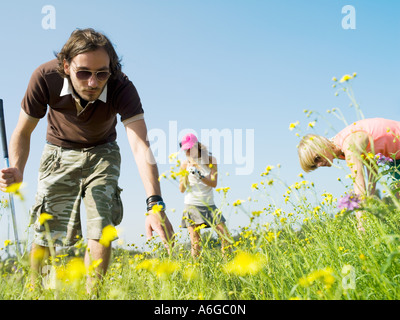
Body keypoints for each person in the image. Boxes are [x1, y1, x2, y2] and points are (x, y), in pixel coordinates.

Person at [0, 28, 174, 291]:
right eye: (83, 73)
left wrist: (155, 203)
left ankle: (94, 296)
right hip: (58, 150)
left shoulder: (121, 86)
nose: (93, 82)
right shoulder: (45, 77)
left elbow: (140, 145)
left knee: (101, 226)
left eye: (101, 74)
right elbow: (22, 132)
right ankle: (39, 294)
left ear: (111, 70)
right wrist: (17, 168)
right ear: (66, 66)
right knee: (47, 229)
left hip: (102, 151)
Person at [298, 118, 400, 229]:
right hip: (395, 157)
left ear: (321, 144)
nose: (319, 165)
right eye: (314, 165)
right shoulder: (339, 150)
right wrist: (370, 199)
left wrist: (361, 224)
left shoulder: (349, 146)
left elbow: (359, 185)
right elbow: (371, 163)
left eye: (317, 158)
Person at [178, 133, 231, 258]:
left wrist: (199, 175)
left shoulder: (211, 161)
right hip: (192, 205)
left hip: (209, 204)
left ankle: (228, 267)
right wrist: (186, 173)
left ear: (197, 146)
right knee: (196, 243)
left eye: (190, 148)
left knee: (225, 236)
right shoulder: (184, 164)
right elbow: (182, 189)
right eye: (186, 149)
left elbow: (213, 183)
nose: (188, 151)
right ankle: (197, 272)